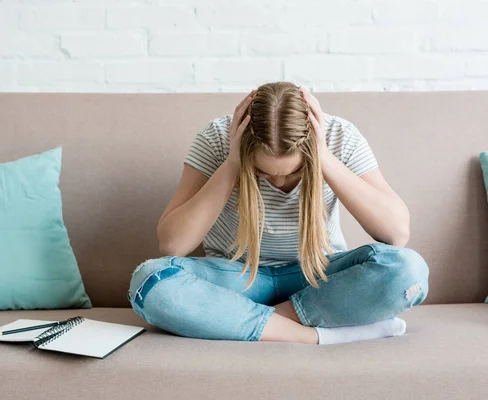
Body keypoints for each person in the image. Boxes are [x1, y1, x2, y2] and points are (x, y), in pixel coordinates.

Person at [127, 81, 429, 344]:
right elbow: (172, 245)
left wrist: (324, 159)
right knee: (149, 279)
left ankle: (247, 321)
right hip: (238, 279)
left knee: (408, 269)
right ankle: (315, 335)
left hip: (319, 279)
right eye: (261, 173)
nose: (278, 181)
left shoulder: (339, 136)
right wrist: (233, 164)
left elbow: (396, 233)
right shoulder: (217, 138)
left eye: (294, 171)